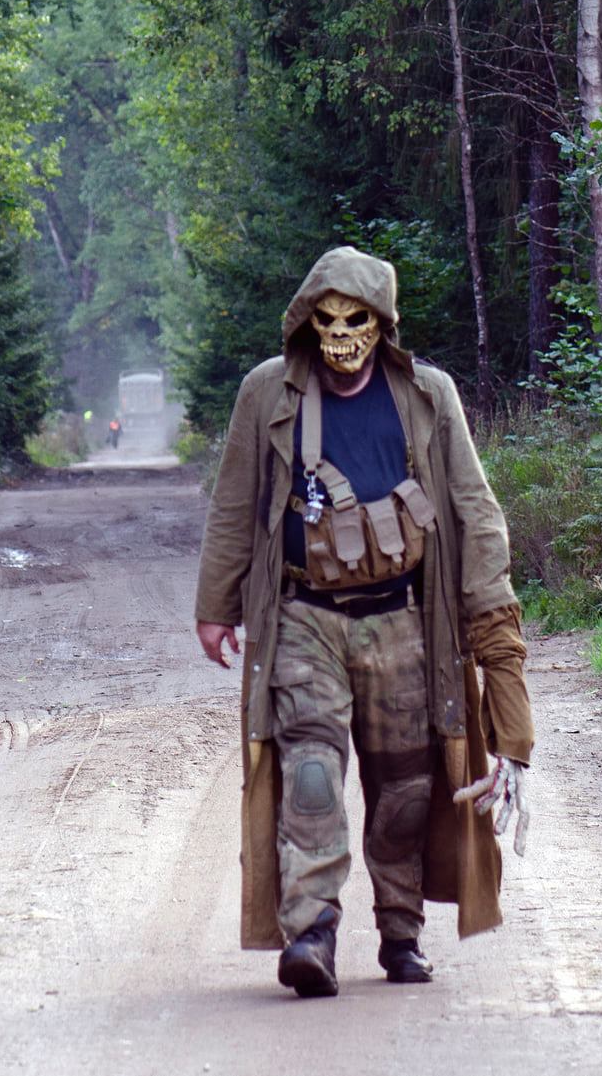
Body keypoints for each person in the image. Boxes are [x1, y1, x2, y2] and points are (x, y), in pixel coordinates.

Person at [193, 245, 534, 998]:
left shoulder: (429, 396)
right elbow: (234, 503)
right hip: (304, 615)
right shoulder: (268, 394)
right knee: (310, 772)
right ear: (307, 324)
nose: (342, 339)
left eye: (358, 323)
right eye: (327, 322)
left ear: (382, 325)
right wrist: (217, 605)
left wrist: (493, 624)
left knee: (407, 787)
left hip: (404, 621)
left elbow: (476, 514)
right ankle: (310, 929)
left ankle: (401, 930)